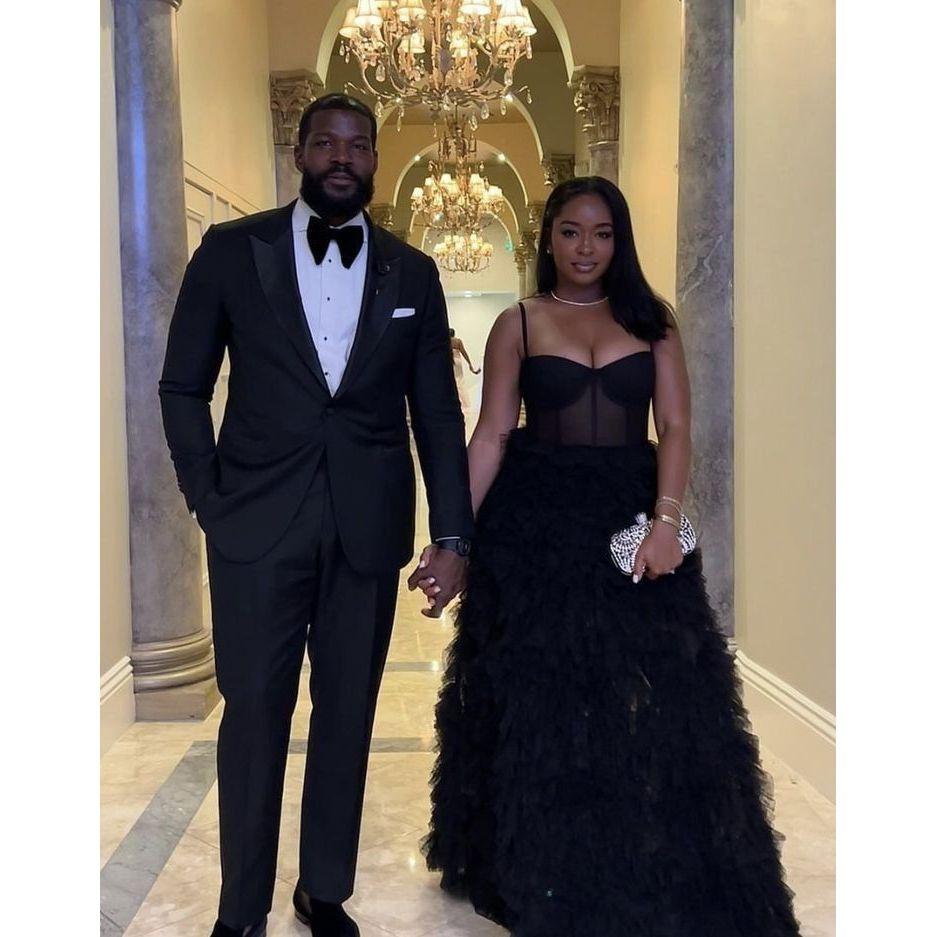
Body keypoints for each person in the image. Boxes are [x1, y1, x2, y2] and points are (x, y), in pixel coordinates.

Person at [412, 176, 802, 935]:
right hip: (534, 527)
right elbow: (492, 434)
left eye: (601, 233)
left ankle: (647, 853)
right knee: (541, 695)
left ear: (619, 240)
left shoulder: (652, 322)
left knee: (659, 692)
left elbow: (676, 427)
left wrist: (666, 522)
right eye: (570, 231)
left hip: (632, 517)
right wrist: (451, 536)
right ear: (548, 238)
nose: (585, 248)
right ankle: (544, 864)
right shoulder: (519, 323)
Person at [159, 93, 473, 937]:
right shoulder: (232, 251)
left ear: (374, 160)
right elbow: (182, 385)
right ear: (298, 152)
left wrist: (452, 534)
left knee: (347, 714)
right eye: (326, 143)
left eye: (358, 145)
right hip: (254, 525)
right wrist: (206, 494)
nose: (342, 157)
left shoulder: (413, 273)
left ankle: (322, 890)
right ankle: (240, 912)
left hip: (366, 529)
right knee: (254, 714)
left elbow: (436, 413)